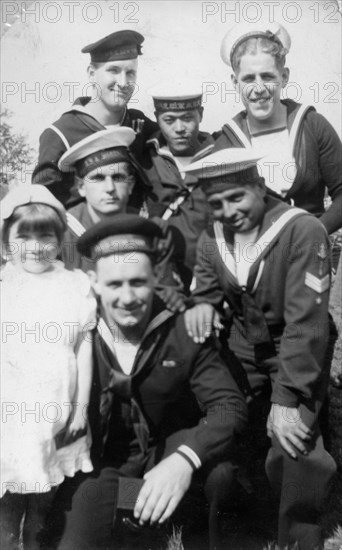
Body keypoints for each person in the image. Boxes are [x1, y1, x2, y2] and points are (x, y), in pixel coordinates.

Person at [46, 214, 248, 550]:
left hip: (165, 457)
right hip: (103, 464)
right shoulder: (75, 329)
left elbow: (229, 407)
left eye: (137, 282)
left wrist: (185, 459)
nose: (127, 298)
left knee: (221, 476)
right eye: (114, 284)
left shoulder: (184, 329)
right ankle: (132, 508)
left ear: (155, 277)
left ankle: (188, 523)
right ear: (93, 281)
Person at [183, 148, 337, 550]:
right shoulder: (212, 237)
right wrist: (201, 303)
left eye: (237, 197)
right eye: (216, 203)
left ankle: (298, 536)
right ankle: (231, 529)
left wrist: (286, 397)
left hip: (297, 345)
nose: (228, 211)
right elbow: (206, 283)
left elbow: (308, 323)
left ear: (258, 186)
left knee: (293, 441)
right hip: (241, 346)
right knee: (223, 430)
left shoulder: (301, 230)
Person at [0, 185, 96, 549]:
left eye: (46, 235)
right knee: (7, 504)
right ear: (7, 242)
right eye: (23, 236)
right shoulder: (4, 286)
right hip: (10, 416)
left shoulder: (74, 285)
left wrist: (80, 408)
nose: (35, 245)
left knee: (43, 506)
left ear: (59, 240)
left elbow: (83, 347)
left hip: (56, 410)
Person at [214, 21, 342, 235]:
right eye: (248, 79)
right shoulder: (226, 143)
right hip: (253, 262)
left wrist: (314, 231)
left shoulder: (312, 125)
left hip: (310, 258)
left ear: (284, 77)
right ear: (235, 83)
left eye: (267, 76)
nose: (259, 88)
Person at [58, 127, 185, 312]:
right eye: (98, 178)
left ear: (131, 185)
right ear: (80, 186)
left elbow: (169, 296)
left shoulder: (151, 230)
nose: (109, 188)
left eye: (118, 177)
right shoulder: (62, 231)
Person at [32, 30, 158, 209]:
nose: (123, 82)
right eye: (113, 71)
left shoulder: (139, 123)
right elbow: (43, 207)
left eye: (130, 73)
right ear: (91, 73)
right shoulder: (61, 134)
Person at [141, 91, 215, 291]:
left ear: (201, 114)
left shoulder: (220, 155)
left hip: (211, 275)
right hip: (161, 278)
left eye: (188, 118)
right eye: (169, 120)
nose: (179, 128)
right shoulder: (143, 158)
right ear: (157, 118)